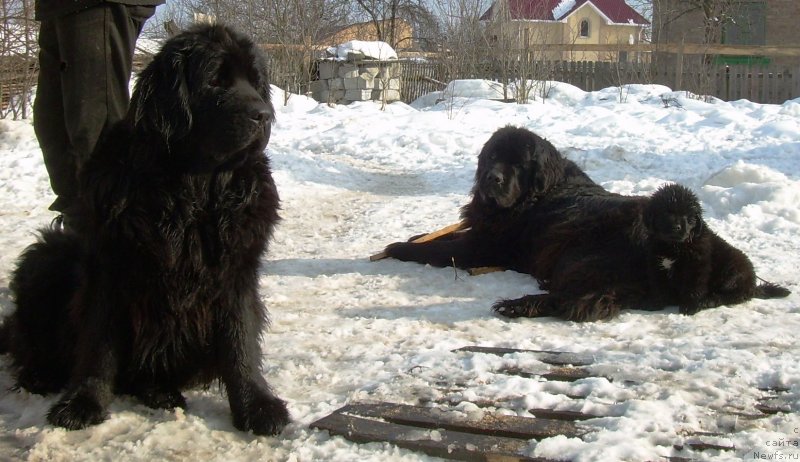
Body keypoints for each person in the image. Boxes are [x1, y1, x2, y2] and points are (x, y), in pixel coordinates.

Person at [33, 1, 165, 229]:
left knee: (96, 135)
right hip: (57, 6)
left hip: (98, 4)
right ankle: (79, 229)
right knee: (53, 127)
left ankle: (106, 236)